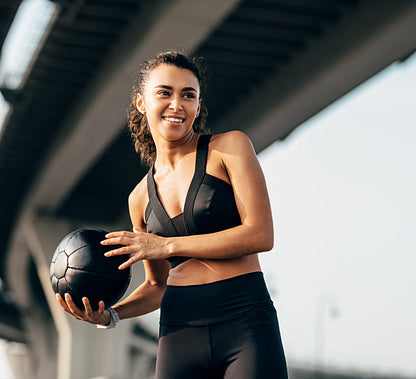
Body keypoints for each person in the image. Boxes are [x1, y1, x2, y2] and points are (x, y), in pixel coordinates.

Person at [56, 50, 288, 379]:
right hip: (179, 332)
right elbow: (157, 285)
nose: (177, 105)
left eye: (188, 95)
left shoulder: (229, 148)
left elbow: (260, 234)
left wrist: (168, 246)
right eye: (164, 93)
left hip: (245, 321)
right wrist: (111, 316)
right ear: (141, 102)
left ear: (197, 105)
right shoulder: (139, 197)